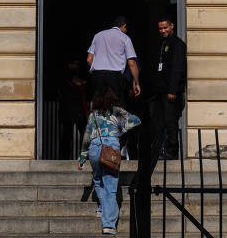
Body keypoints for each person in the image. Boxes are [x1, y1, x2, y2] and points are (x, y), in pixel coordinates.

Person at [78, 86, 141, 235]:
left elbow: (86, 137)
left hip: (95, 147)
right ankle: (108, 224)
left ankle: (102, 208)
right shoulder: (117, 111)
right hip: (111, 146)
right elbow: (136, 120)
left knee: (98, 180)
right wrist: (119, 130)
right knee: (111, 187)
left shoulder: (93, 115)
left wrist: (82, 158)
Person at [148, 15, 187, 158]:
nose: (163, 30)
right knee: (159, 121)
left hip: (170, 92)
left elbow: (177, 68)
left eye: (165, 27)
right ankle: (161, 149)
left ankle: (172, 151)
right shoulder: (163, 43)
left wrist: (172, 90)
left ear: (171, 26)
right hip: (161, 91)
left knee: (171, 122)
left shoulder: (177, 44)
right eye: (160, 28)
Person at [86, 16, 141, 104]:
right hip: (115, 78)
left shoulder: (98, 35)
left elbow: (89, 59)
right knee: (116, 107)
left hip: (97, 77)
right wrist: (136, 82)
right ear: (124, 26)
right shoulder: (125, 38)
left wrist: (98, 72)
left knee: (99, 105)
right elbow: (132, 63)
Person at [57, 58, 89, 157]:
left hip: (78, 109)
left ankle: (85, 156)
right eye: (74, 64)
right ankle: (64, 157)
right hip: (68, 109)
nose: (76, 66)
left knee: (83, 134)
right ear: (69, 65)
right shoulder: (65, 77)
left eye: (77, 64)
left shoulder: (78, 76)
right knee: (67, 135)